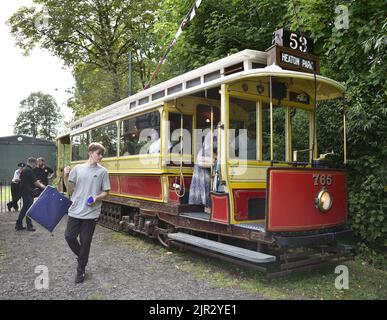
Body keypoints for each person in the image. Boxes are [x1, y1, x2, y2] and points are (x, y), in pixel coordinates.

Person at [63, 142, 110, 284]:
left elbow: (106, 192)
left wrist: (96, 197)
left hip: (91, 213)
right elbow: (70, 189)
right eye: (98, 153)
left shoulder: (103, 172)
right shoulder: (77, 169)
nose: (100, 156)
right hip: (75, 210)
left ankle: (80, 270)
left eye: (102, 154)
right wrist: (65, 176)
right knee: (69, 237)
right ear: (90, 153)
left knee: (85, 241)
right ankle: (83, 257)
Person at [188, 129, 217, 214]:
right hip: (204, 158)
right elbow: (208, 149)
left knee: (208, 182)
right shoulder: (211, 134)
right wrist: (216, 157)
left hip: (209, 159)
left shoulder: (220, 135)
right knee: (206, 181)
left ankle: (208, 205)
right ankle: (206, 206)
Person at [15, 158, 46, 231]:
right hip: (28, 193)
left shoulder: (24, 170)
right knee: (29, 209)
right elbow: (35, 183)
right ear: (32, 163)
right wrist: (44, 187)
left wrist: (34, 182)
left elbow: (24, 180)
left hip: (24, 192)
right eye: (35, 163)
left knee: (24, 209)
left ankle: (18, 225)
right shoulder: (29, 170)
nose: (36, 165)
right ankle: (29, 226)